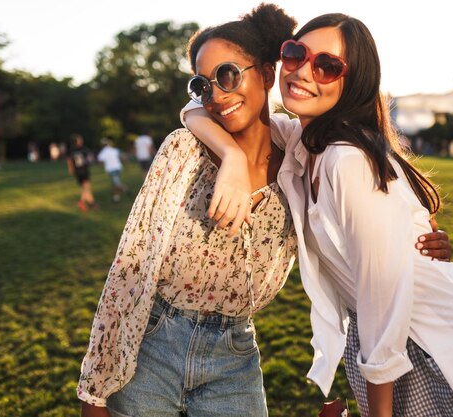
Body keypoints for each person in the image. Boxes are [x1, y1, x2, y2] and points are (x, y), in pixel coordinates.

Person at [184, 12, 453, 417]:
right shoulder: (303, 142)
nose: (303, 73)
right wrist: (229, 155)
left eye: (328, 67)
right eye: (296, 54)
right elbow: (196, 108)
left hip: (436, 353)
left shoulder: (346, 160)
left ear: (354, 82)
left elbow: (381, 297)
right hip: (392, 350)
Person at [78, 5, 299, 417]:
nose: (216, 95)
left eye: (229, 75)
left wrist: (422, 232)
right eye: (203, 84)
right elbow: (132, 265)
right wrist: (96, 388)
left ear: (267, 75)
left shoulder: (301, 159)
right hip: (155, 347)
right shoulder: (183, 150)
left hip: (235, 358)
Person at [67, 133, 96, 212]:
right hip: (83, 170)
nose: (81, 141)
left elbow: (69, 161)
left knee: (85, 187)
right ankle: (82, 202)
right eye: (80, 139)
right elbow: (90, 158)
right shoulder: (83, 149)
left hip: (78, 171)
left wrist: (71, 170)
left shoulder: (71, 150)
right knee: (86, 187)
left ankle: (91, 203)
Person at [97, 138, 128, 202]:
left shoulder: (102, 153)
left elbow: (100, 161)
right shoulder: (114, 150)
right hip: (118, 167)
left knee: (116, 183)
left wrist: (100, 166)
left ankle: (126, 189)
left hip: (111, 169)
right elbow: (122, 156)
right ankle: (116, 197)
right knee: (114, 183)